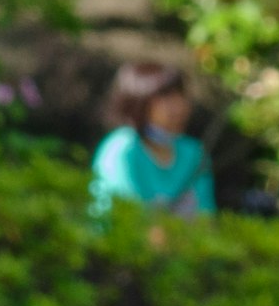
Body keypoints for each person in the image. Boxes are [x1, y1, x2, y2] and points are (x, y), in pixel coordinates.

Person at [88, 61, 214, 217]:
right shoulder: (123, 149)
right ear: (138, 101)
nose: (178, 106)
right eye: (165, 96)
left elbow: (206, 219)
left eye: (180, 94)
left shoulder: (194, 153)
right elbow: (130, 219)